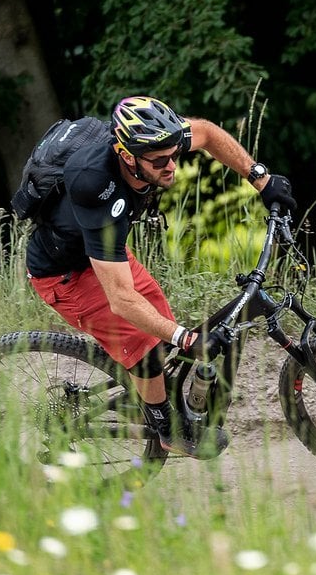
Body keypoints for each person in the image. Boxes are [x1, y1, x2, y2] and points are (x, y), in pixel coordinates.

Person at [23, 95, 296, 457]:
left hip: (106, 254)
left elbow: (208, 133)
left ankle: (154, 392)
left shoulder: (155, 141)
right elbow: (121, 300)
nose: (172, 167)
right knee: (146, 346)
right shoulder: (93, 183)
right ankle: (166, 430)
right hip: (64, 275)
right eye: (160, 162)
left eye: (174, 155)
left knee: (162, 332)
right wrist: (187, 339)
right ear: (127, 156)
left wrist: (259, 178)